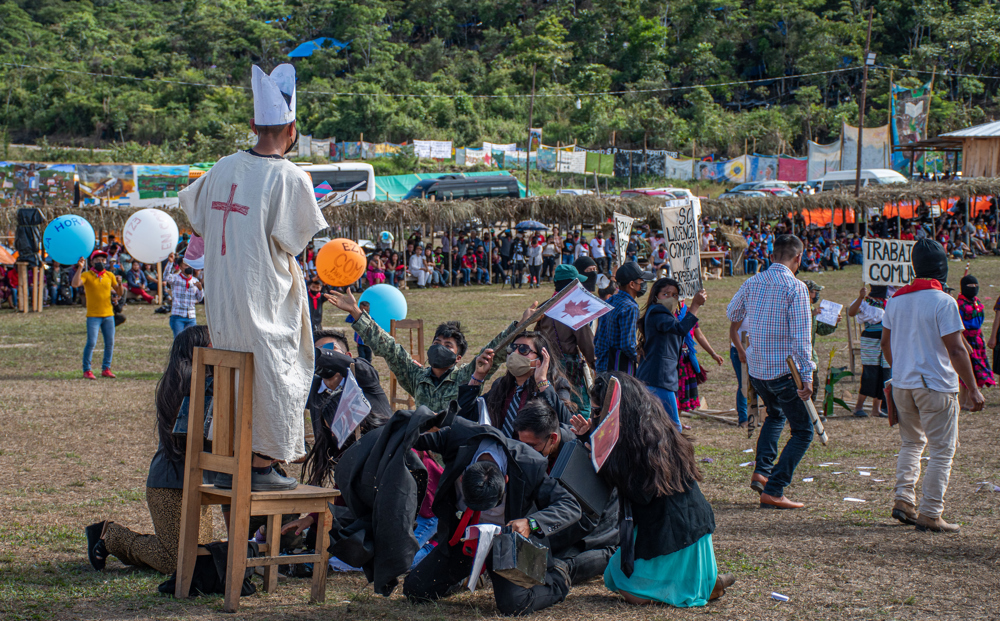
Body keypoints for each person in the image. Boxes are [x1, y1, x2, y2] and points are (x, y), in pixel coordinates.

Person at [179, 63, 326, 485]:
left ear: (252, 125)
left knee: (242, 372)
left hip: (224, 307)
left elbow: (197, 216)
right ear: (293, 128)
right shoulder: (291, 176)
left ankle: (231, 453)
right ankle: (260, 463)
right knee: (282, 369)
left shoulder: (223, 166)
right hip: (264, 305)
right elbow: (296, 242)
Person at [404, 417, 580, 616]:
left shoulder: (530, 465)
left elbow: (570, 506)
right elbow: (409, 431)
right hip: (463, 539)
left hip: (506, 545)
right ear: (463, 476)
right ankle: (465, 575)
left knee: (514, 605)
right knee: (415, 590)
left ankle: (558, 577)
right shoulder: (458, 438)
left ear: (506, 480)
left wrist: (531, 523)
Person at [85, 326, 215, 574]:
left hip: (199, 482)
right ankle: (110, 535)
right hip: (170, 484)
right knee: (176, 562)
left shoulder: (197, 381)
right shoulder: (191, 384)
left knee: (199, 557)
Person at [597, 373, 735, 605]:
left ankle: (700, 585)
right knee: (612, 575)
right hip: (687, 528)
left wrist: (604, 457)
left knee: (625, 586)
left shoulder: (637, 445)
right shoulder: (655, 426)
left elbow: (640, 494)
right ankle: (702, 581)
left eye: (599, 412)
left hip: (673, 532)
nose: (598, 418)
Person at [882, 239, 984, 533]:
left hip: (903, 384)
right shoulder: (943, 301)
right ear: (942, 269)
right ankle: (930, 512)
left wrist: (900, 367)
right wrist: (973, 387)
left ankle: (904, 500)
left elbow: (886, 343)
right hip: (935, 385)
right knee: (942, 450)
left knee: (912, 443)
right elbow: (956, 349)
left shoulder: (896, 299)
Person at [326, 287, 534, 410]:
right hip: (423, 453)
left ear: (458, 357)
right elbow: (387, 346)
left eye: (447, 346)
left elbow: (493, 353)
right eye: (437, 343)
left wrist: (519, 326)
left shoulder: (466, 377)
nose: (440, 348)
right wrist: (355, 311)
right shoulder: (416, 376)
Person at [726, 235, 815, 510]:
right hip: (783, 371)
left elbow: (732, 311)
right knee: (804, 431)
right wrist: (808, 375)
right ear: (798, 258)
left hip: (759, 370)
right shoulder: (796, 287)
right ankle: (774, 488)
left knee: (775, 415)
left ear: (773, 254)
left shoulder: (753, 282)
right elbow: (802, 338)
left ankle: (762, 472)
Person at [512, 399, 619, 585]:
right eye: (522, 445)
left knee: (552, 564)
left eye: (532, 446)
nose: (526, 452)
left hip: (596, 530)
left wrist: (540, 535)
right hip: (563, 522)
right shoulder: (541, 448)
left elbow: (586, 520)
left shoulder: (579, 453)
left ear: (552, 438)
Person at [458, 332, 576, 435]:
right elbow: (466, 416)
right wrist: (478, 377)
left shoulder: (556, 384)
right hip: (499, 454)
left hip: (534, 456)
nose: (514, 353)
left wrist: (542, 382)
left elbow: (566, 423)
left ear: (541, 358)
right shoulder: (501, 385)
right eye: (511, 348)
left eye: (523, 350)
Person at [636, 278, 706, 431]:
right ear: (656, 296)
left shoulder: (663, 314)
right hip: (659, 378)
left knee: (656, 426)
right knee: (674, 427)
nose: (670, 298)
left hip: (655, 377)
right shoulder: (657, 311)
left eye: (674, 295)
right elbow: (681, 329)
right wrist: (695, 305)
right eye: (665, 294)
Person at [535, 264, 597, 417]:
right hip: (569, 366)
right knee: (581, 406)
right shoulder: (573, 309)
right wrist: (595, 363)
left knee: (552, 404)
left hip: (546, 364)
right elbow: (586, 342)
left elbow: (536, 336)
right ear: (572, 284)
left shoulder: (544, 307)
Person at [594, 262, 654, 374]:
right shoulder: (630, 307)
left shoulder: (610, 301)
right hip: (619, 370)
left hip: (603, 366)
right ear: (632, 284)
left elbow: (598, 337)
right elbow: (628, 345)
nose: (643, 284)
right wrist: (641, 360)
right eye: (641, 281)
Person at [72, 250, 124, 380]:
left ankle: (106, 368)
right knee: (91, 342)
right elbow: (75, 284)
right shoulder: (87, 275)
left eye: (103, 260)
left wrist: (119, 283)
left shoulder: (110, 275)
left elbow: (119, 292)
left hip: (108, 315)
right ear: (92, 262)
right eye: (98, 260)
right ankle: (87, 370)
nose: (101, 262)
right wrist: (79, 268)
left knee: (110, 343)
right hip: (93, 315)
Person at [847, 284, 891, 418]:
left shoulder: (889, 301)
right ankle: (858, 407)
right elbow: (851, 312)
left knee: (885, 372)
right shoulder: (865, 301)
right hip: (871, 338)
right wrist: (860, 297)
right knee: (870, 372)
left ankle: (876, 409)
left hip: (888, 338)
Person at [956, 275, 996, 389]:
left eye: (976, 286)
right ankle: (965, 402)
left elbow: (979, 323)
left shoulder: (977, 302)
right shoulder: (959, 304)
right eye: (970, 286)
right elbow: (958, 327)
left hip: (977, 339)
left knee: (978, 367)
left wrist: (982, 336)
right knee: (968, 369)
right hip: (966, 338)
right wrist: (965, 344)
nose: (973, 288)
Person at [163, 261, 205, 338]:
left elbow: (199, 299)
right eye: (186, 265)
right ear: (180, 267)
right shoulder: (175, 278)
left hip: (191, 316)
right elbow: (165, 277)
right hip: (178, 315)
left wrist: (200, 289)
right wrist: (170, 262)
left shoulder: (195, 281)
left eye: (190, 265)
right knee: (179, 340)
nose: (188, 267)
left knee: (191, 340)